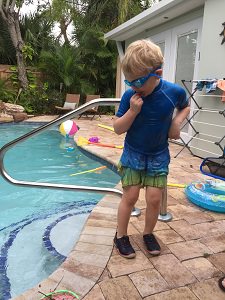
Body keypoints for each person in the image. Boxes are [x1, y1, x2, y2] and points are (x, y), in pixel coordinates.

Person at [113, 39, 190, 258]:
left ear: (157, 73)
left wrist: (176, 123)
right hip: (133, 153)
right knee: (130, 197)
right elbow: (118, 128)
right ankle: (121, 236)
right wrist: (133, 112)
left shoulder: (173, 92)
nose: (133, 87)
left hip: (158, 154)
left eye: (137, 81)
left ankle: (148, 233)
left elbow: (185, 107)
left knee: (155, 199)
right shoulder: (131, 96)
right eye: (129, 82)